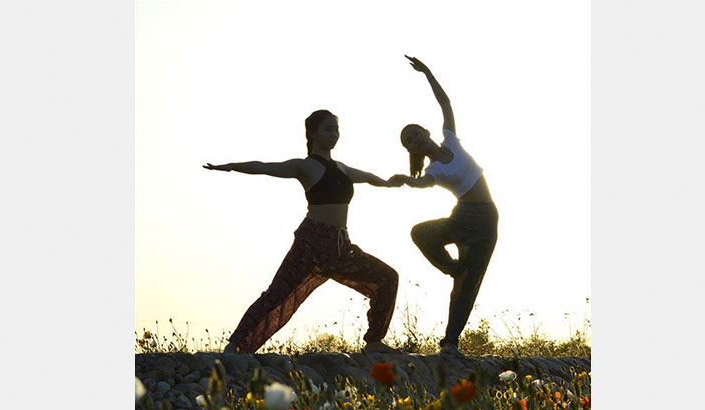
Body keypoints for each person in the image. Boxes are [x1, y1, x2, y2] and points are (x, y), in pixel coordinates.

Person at [204, 110, 404, 354]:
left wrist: (389, 182)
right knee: (276, 294)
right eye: (327, 129)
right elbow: (266, 167)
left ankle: (374, 342)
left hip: (340, 246)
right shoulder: (306, 167)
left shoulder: (342, 168)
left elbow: (371, 178)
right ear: (312, 134)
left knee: (387, 277)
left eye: (336, 129)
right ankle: (235, 345)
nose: (334, 134)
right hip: (311, 244)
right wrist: (232, 167)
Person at [393, 56, 499, 358]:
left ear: (425, 132)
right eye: (409, 142)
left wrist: (426, 72)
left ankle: (450, 342)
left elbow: (446, 103)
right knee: (421, 233)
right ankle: (454, 269)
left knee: (471, 283)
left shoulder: (451, 140)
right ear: (412, 150)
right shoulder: (433, 172)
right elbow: (422, 184)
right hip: (463, 216)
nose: (414, 140)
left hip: (487, 217)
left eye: (414, 133)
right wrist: (404, 180)